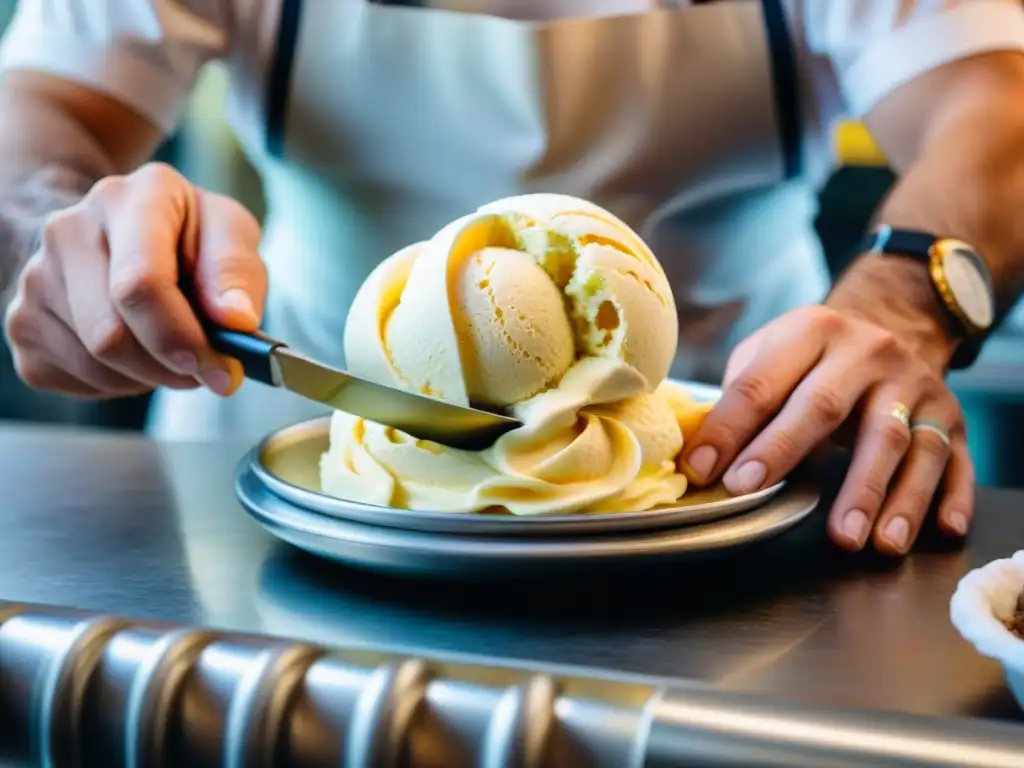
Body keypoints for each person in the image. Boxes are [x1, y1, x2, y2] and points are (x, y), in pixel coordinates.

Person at [1, 0, 1023, 558]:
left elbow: (991, 106)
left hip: (728, 482)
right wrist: (73, 235)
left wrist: (898, 298)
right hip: (302, 495)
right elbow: (39, 113)